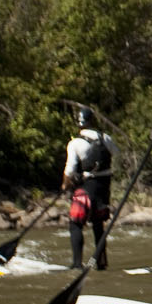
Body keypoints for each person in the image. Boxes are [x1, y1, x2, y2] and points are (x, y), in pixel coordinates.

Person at [61, 107, 120, 271]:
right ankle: (101, 263)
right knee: (98, 225)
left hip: (85, 189)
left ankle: (76, 264)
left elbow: (70, 170)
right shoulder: (105, 138)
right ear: (92, 122)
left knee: (76, 224)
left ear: (79, 124)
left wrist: (65, 185)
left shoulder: (75, 143)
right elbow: (117, 154)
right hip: (103, 189)